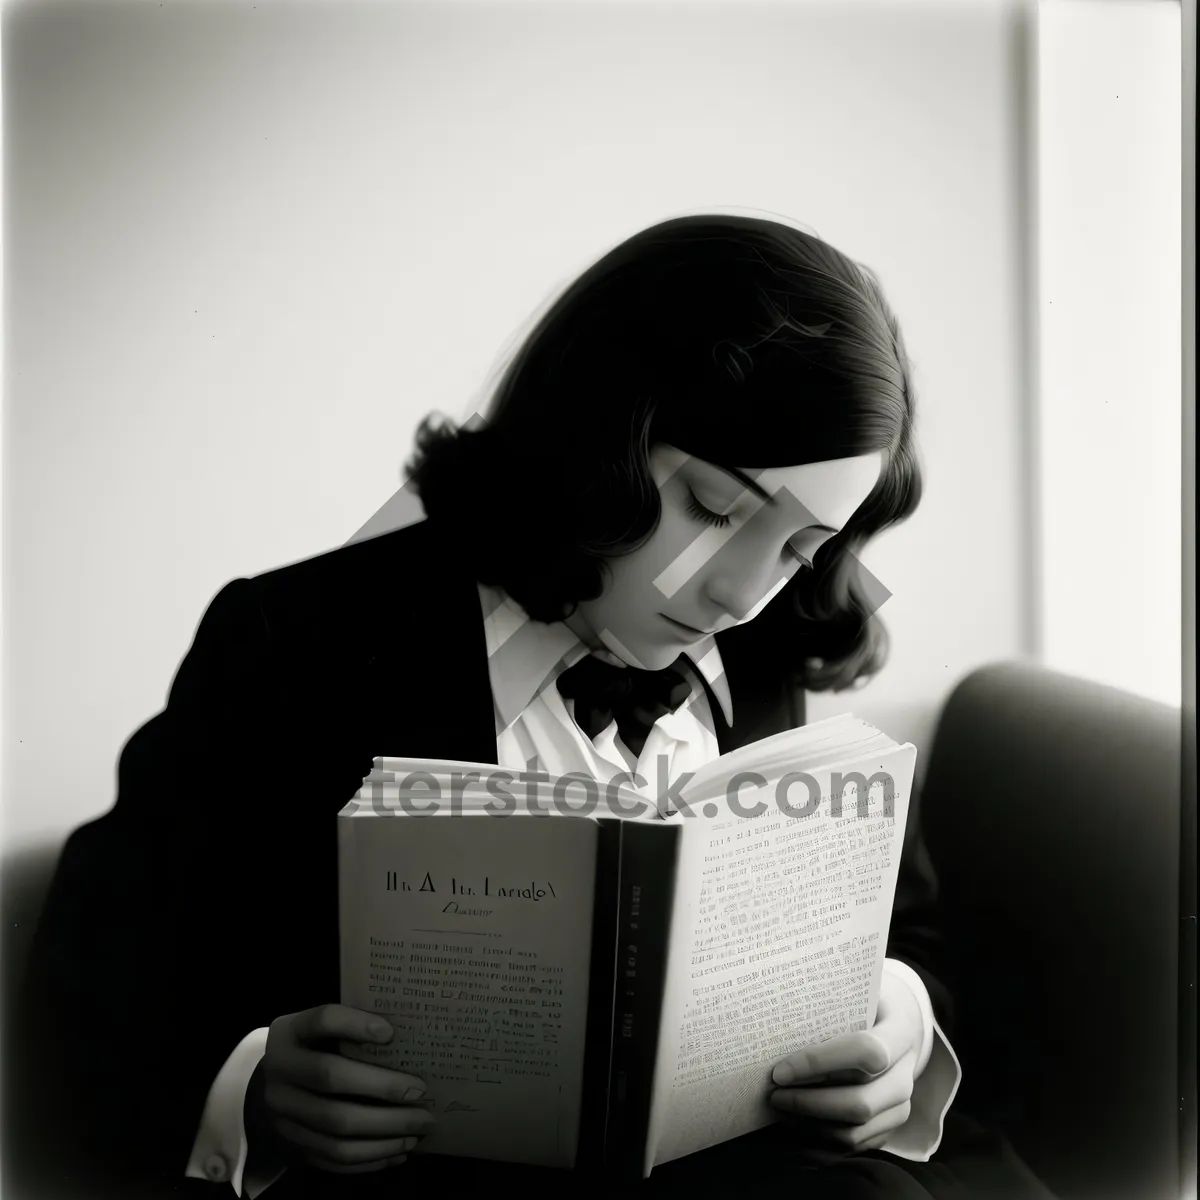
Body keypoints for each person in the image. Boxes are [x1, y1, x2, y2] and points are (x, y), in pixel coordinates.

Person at [15, 213, 1055, 1199]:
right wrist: (257, 1089)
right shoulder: (297, 643)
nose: (741, 592)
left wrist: (901, 1023)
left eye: (800, 547)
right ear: (597, 435)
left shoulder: (779, 648)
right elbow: (109, 966)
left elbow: (904, 932)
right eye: (714, 507)